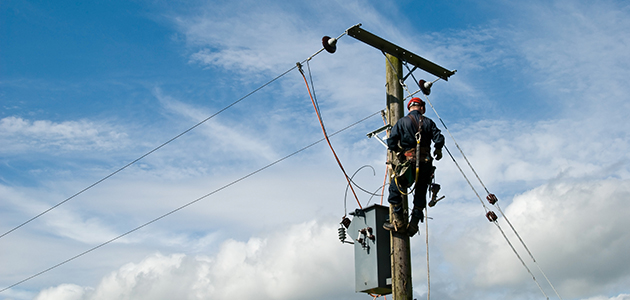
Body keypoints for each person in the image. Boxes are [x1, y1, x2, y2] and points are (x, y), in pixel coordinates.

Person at [384, 97, 444, 237]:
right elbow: (439, 138)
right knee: (420, 193)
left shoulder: (402, 122)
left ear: (409, 108)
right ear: (422, 108)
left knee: (395, 189)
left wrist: (398, 151)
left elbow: (391, 141)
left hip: (409, 164)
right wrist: (438, 150)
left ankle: (398, 222)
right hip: (425, 164)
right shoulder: (429, 122)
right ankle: (414, 224)